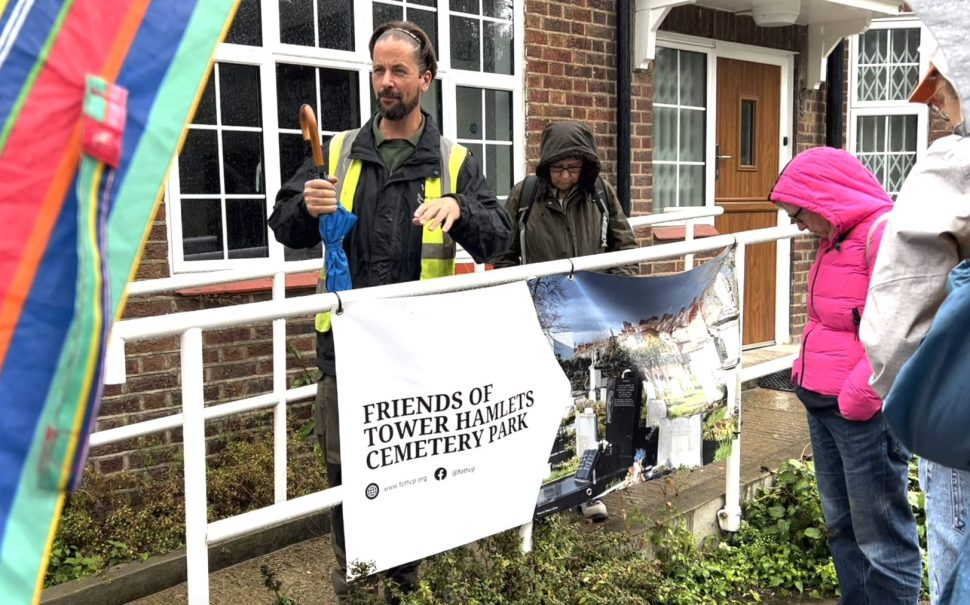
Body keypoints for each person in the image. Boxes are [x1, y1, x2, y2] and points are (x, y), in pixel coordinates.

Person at [268, 21, 512, 603]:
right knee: (346, 476)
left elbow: (500, 237)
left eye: (399, 70)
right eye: (378, 69)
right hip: (346, 353)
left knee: (412, 475)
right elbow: (283, 224)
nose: (385, 81)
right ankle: (352, 580)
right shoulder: (340, 151)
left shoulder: (453, 161)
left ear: (425, 79)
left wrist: (461, 207)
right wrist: (305, 203)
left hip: (416, 359)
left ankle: (406, 585)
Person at [769, 146, 922, 604]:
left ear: (826, 199)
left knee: (882, 538)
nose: (795, 223)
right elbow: (830, 320)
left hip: (861, 412)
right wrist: (804, 373)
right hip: (822, 402)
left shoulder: (881, 235)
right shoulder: (833, 238)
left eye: (797, 212)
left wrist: (858, 395)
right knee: (842, 528)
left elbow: (903, 326)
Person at [861, 39, 970, 605]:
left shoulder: (956, 161)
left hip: (959, 410)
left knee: (956, 554)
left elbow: (903, 300)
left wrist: (904, 397)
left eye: (945, 97)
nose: (945, 113)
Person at [492, 120, 639, 523]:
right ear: (545, 166)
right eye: (558, 168)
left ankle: (586, 488)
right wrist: (519, 300)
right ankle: (541, 490)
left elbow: (624, 249)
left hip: (590, 322)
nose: (565, 176)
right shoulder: (524, 197)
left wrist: (616, 301)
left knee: (588, 406)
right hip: (540, 320)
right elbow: (503, 255)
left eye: (573, 168)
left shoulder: (600, 195)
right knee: (542, 404)